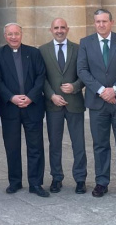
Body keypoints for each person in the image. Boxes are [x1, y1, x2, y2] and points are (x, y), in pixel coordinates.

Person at [77, 8, 116, 200]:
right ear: (94, 23)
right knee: (100, 144)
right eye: (97, 22)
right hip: (97, 103)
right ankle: (101, 182)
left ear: (112, 22)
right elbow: (82, 70)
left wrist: (115, 90)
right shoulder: (86, 43)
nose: (101, 25)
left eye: (104, 21)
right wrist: (103, 91)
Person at [0, 22, 49, 197]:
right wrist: (12, 97)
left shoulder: (34, 53)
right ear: (5, 36)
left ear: (21, 34)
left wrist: (30, 97)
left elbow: (41, 76)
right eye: (10, 34)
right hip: (10, 108)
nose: (13, 37)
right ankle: (15, 182)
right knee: (12, 147)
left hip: (32, 107)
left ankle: (36, 183)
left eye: (16, 33)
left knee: (36, 147)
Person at [39, 17, 87, 194]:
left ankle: (80, 179)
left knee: (79, 143)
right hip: (53, 106)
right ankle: (56, 178)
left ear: (68, 29)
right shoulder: (43, 50)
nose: (59, 30)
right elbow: (41, 77)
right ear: (51, 30)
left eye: (63, 27)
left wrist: (75, 86)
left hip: (75, 104)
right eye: (56, 28)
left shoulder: (79, 49)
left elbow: (85, 73)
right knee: (54, 144)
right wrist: (51, 95)